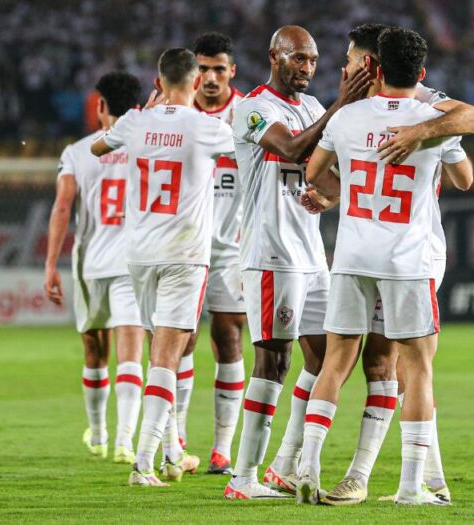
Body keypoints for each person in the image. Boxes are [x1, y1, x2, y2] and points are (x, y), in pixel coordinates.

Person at [303, 23, 474, 505]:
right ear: (419, 71)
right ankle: (414, 484)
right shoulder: (431, 118)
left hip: (352, 256)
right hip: (408, 258)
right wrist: (430, 139)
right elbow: (465, 178)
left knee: (342, 361)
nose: (344, 68)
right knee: (416, 367)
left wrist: (340, 191)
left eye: (349, 60)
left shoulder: (348, 117)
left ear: (373, 67)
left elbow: (313, 171)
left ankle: (308, 466)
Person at [223, 25, 371, 500]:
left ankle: (284, 464)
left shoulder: (310, 107)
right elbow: (291, 148)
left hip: (310, 255)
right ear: (275, 56)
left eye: (312, 60)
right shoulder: (253, 108)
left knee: (326, 357)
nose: (307, 68)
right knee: (273, 360)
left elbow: (322, 172)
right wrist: (340, 105)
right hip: (271, 253)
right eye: (298, 58)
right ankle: (243, 478)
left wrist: (331, 195)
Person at [91, 48, 235, 488]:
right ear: (197, 82)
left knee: (161, 352)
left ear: (158, 82)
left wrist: (145, 118)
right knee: (168, 358)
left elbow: (98, 146)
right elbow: (249, 149)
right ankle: (143, 464)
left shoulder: (134, 121)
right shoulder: (207, 127)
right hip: (184, 255)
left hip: (139, 254)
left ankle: (172, 452)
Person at [43, 71, 146, 465]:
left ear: (101, 105)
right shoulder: (147, 146)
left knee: (95, 350)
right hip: (134, 259)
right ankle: (125, 440)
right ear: (136, 107)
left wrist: (50, 264)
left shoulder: (77, 151)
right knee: (131, 352)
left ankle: (99, 434)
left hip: (91, 263)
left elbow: (62, 208)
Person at [186, 31, 247, 475]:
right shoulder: (175, 114)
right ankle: (173, 440)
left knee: (228, 337)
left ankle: (222, 449)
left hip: (231, 249)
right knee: (179, 339)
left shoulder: (247, 115)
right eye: (203, 69)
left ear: (231, 72)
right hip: (182, 246)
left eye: (218, 70)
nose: (210, 78)